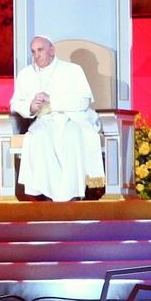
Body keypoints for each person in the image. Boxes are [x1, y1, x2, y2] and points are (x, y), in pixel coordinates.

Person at [10, 36, 105, 201]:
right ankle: (49, 194)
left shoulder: (73, 70)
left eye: (40, 50)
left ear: (52, 50)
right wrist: (31, 107)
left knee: (72, 137)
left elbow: (83, 101)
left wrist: (52, 100)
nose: (36, 55)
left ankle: (72, 194)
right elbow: (16, 103)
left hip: (72, 119)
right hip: (44, 121)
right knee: (39, 139)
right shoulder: (26, 74)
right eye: (33, 51)